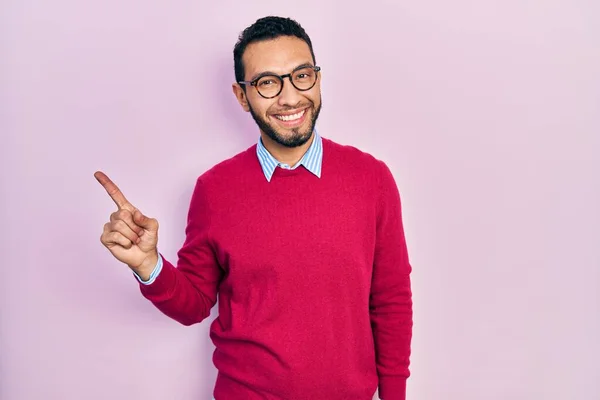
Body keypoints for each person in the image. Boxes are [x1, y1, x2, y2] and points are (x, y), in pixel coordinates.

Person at [95, 16, 413, 400]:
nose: (290, 97)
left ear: (318, 78)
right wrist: (147, 265)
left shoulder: (371, 178)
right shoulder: (214, 190)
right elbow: (193, 304)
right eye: (267, 83)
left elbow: (391, 298)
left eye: (302, 75)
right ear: (242, 95)